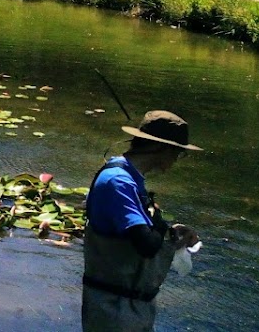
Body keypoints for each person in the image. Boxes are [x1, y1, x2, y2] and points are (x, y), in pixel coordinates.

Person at [82, 110, 202, 332]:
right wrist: (157, 222)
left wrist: (171, 233)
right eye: (178, 152)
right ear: (163, 148)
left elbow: (133, 234)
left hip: (128, 307)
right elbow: (146, 245)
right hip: (113, 311)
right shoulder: (118, 181)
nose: (177, 159)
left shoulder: (130, 178)